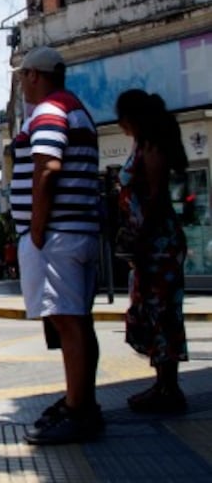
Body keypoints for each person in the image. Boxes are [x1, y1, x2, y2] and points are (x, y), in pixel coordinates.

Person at [9, 45, 103, 445]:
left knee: (68, 321)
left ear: (34, 75)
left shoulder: (50, 110)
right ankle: (78, 402)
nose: (21, 84)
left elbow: (47, 167)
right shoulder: (75, 108)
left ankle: (80, 411)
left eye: (22, 76)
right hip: (73, 231)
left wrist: (36, 227)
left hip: (58, 235)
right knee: (76, 320)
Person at [115, 89, 189, 414]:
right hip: (151, 244)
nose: (120, 125)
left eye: (122, 118)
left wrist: (142, 240)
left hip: (158, 246)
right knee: (153, 311)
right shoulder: (142, 144)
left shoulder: (152, 146)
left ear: (132, 117)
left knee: (162, 314)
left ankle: (169, 389)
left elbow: (157, 199)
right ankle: (162, 384)